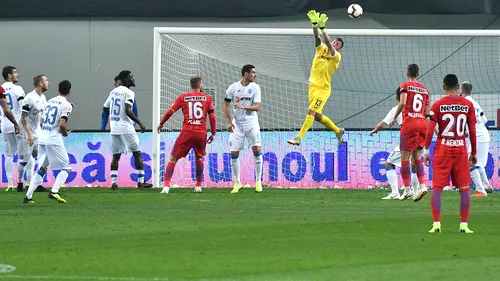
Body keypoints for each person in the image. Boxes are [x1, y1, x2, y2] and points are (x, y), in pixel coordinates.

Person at [423, 74, 477, 234]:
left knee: (438, 188)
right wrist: (473, 152)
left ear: (443, 86)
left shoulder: (437, 105)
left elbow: (430, 129)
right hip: (460, 150)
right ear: (458, 86)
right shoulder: (467, 105)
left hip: (442, 150)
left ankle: (436, 224)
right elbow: (472, 130)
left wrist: (426, 151)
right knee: (465, 188)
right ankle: (464, 225)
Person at [287, 10, 345, 146]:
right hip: (312, 86)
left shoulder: (336, 56)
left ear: (339, 49)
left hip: (323, 89)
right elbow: (317, 38)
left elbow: (328, 43)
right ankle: (338, 130)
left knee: (311, 111)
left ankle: (298, 138)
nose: (335, 44)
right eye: (335, 41)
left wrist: (323, 29)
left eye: (338, 44)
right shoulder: (320, 49)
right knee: (318, 116)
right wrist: (314, 26)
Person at [157, 76, 216, 193]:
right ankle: (198, 185)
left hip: (187, 132)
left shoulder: (183, 97)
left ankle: (166, 186)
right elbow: (212, 117)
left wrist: (161, 123)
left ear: (191, 85)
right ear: (200, 85)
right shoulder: (207, 98)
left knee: (173, 158)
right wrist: (213, 133)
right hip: (201, 132)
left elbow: (170, 111)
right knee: (199, 157)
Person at [24, 80, 74, 204]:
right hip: (54, 139)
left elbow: (41, 122)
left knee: (42, 168)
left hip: (42, 138)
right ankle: (54, 191)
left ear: (58, 90)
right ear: (69, 91)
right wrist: (66, 133)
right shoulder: (66, 105)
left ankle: (28, 196)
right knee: (66, 168)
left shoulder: (49, 101)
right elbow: (62, 124)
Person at [103, 70, 152, 189]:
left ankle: (114, 183)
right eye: (131, 77)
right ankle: (141, 182)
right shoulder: (129, 93)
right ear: (125, 79)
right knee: (137, 153)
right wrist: (140, 123)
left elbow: (105, 108)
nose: (133, 79)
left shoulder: (113, 91)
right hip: (126, 127)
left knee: (116, 156)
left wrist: (114, 118)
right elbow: (128, 110)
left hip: (114, 128)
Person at [390, 64, 430, 202]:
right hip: (422, 124)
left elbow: (402, 103)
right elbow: (426, 112)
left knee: (404, 158)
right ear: (418, 74)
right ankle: (423, 185)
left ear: (408, 74)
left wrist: (394, 117)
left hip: (410, 124)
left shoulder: (405, 85)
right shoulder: (425, 89)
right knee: (417, 156)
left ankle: (407, 189)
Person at [370, 87, 419, 199]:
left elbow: (383, 123)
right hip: (417, 138)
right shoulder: (414, 109)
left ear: (398, 97)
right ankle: (415, 192)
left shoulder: (396, 109)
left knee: (388, 164)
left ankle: (396, 193)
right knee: (414, 165)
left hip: (406, 139)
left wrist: (375, 130)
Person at [223, 65, 263, 193]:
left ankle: (258, 182)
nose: (254, 75)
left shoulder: (255, 87)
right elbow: (225, 105)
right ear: (245, 74)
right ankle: (237, 183)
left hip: (252, 124)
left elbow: (257, 107)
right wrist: (229, 122)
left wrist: (244, 107)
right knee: (234, 153)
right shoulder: (233, 87)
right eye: (253, 72)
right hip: (237, 125)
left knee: (257, 150)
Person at [460, 81, 494, 196]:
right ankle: (487, 186)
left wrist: (466, 131)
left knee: (468, 163)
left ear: (461, 90)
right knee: (477, 163)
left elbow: (464, 119)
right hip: (483, 134)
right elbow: (484, 120)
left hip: (478, 136)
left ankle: (480, 190)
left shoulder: (464, 102)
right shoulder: (475, 103)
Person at [17, 75, 48, 192]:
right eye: (46, 81)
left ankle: (38, 185)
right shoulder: (29, 98)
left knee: (44, 159)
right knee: (24, 161)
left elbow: (41, 117)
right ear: (40, 83)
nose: (48, 83)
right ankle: (19, 182)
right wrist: (29, 134)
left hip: (39, 135)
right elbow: (23, 118)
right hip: (27, 136)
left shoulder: (43, 98)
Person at [1, 66, 25, 191]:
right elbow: (23, 106)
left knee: (8, 155)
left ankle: (10, 184)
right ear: (9, 75)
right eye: (15, 73)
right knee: (25, 154)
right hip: (17, 123)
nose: (17, 75)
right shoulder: (18, 89)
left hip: (5, 124)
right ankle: (26, 181)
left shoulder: (1, 88)